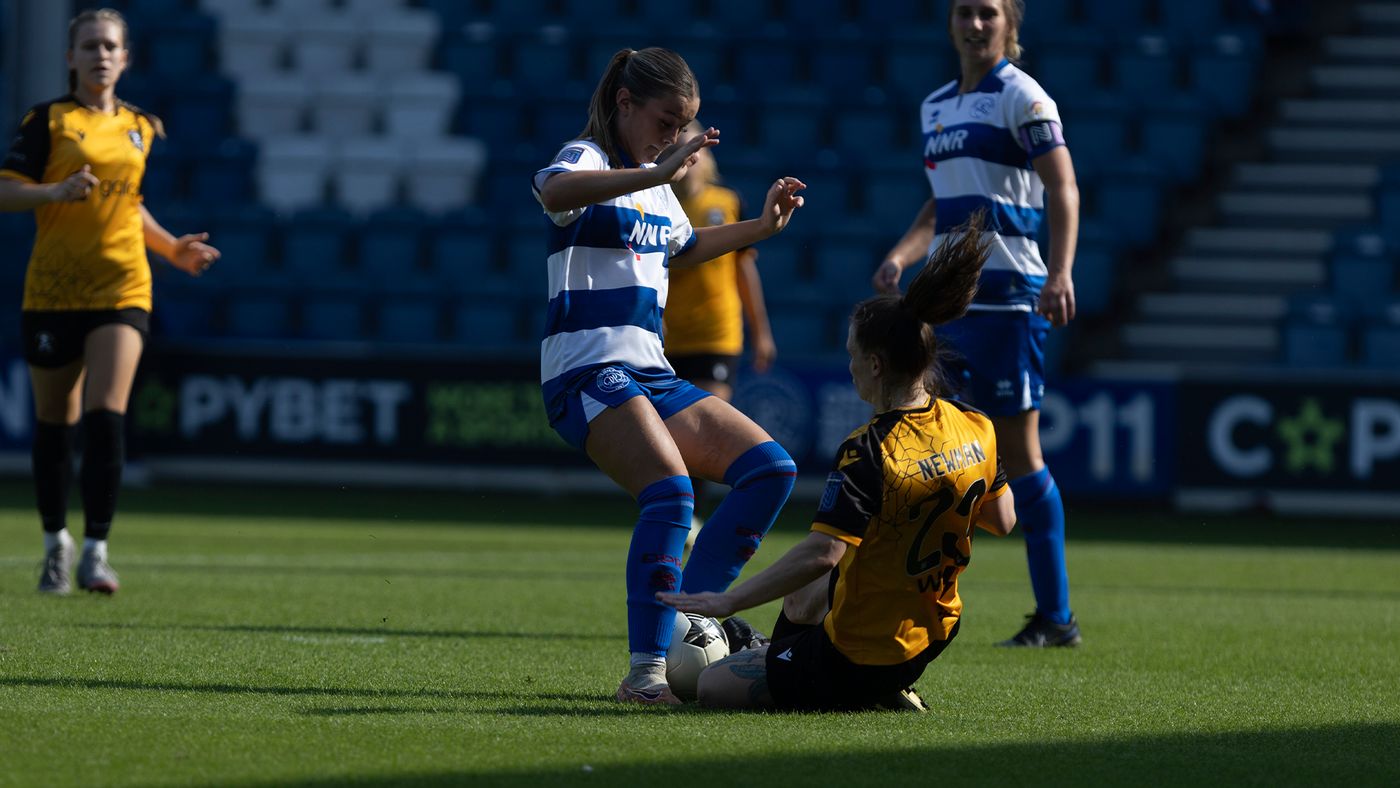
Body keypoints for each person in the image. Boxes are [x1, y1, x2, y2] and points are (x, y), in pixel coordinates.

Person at [531, 47, 806, 705]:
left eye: (685, 124)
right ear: (625, 104)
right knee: (670, 492)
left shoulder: (657, 180)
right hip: (587, 368)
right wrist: (653, 170)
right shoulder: (589, 158)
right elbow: (552, 191)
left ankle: (692, 612)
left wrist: (761, 227)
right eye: (666, 119)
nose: (674, 136)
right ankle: (645, 674)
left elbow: (685, 249)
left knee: (772, 470)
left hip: (650, 370)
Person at [659, 213, 1017, 711]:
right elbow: (1004, 519)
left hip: (859, 653)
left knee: (709, 686)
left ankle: (822, 674)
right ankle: (867, 680)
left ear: (874, 364)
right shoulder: (975, 424)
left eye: (852, 356)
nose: (849, 368)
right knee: (803, 596)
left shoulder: (869, 448)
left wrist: (728, 601)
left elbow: (822, 554)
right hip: (931, 635)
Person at [871, 0, 1082, 647]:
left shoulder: (1024, 96)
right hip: (950, 304)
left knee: (1018, 456)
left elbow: (1064, 186)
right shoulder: (936, 105)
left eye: (989, 13)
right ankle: (915, 601)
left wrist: (1061, 272)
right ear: (950, 22)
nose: (976, 24)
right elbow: (945, 202)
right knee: (930, 449)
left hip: (1011, 300)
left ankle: (1056, 617)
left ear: (1009, 24)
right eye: (965, 11)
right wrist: (903, 255)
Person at [0, 8, 220, 596]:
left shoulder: (141, 127)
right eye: (90, 45)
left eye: (111, 46)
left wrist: (172, 248)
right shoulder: (47, 121)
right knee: (55, 425)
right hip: (52, 290)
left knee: (106, 415)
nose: (101, 54)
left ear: (125, 58)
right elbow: (5, 191)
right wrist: (55, 190)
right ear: (70, 57)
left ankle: (96, 551)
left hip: (123, 284)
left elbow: (130, 204)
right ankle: (55, 545)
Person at [663, 120, 778, 544]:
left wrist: (761, 331)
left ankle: (692, 515)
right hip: (667, 336)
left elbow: (744, 271)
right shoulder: (656, 202)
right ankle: (680, 513)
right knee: (673, 437)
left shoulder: (726, 201)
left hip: (717, 334)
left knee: (702, 429)